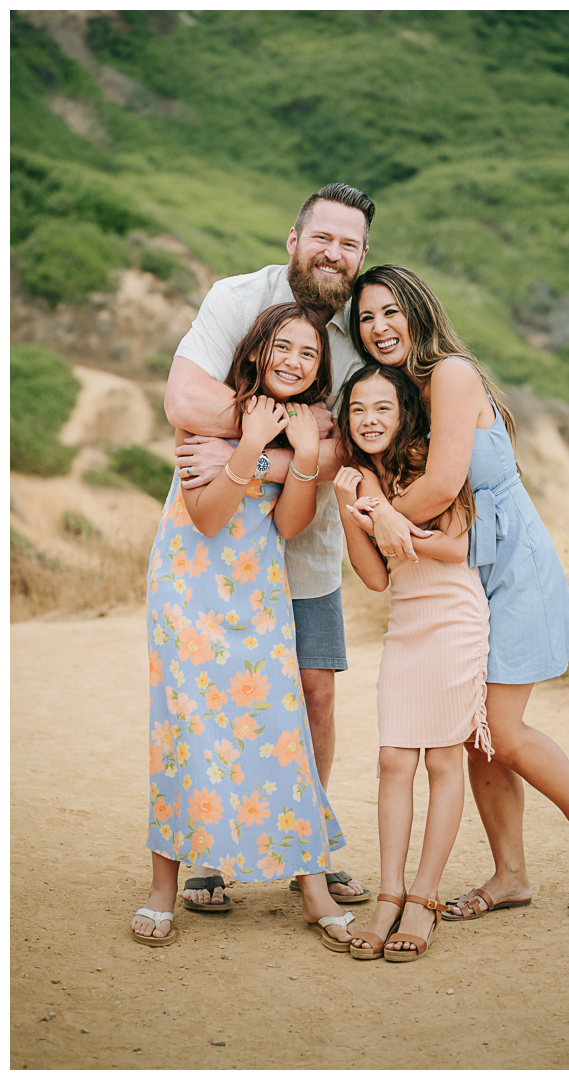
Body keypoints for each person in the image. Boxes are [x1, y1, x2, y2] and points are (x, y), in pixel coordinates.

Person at [345, 265, 569, 920]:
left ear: (418, 311)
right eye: (365, 318)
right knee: (473, 731)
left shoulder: (450, 374)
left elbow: (444, 486)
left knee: (498, 727)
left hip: (511, 568)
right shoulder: (399, 393)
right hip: (464, 572)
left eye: (390, 311)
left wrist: (385, 519)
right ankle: (511, 875)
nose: (379, 327)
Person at [160, 183, 391, 906]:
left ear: (361, 256)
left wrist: (279, 460)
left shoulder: (365, 330)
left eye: (350, 244)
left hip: (306, 539)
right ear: (294, 240)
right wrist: (290, 437)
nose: (335, 253)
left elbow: (363, 441)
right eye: (323, 237)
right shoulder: (239, 297)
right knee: (214, 699)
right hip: (222, 539)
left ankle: (304, 853)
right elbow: (184, 402)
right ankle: (209, 854)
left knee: (314, 695)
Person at [131, 303, 364, 950]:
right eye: (282, 347)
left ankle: (312, 890)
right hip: (187, 594)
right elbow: (206, 517)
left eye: (309, 354)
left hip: (258, 591)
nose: (294, 361)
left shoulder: (302, 427)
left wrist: (298, 455)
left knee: (281, 728)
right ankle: (162, 891)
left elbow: (289, 525)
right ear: (257, 350)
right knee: (185, 729)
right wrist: (255, 444)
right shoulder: (216, 414)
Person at [331, 364, 490, 962]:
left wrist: (391, 515)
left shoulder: (430, 462)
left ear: (404, 415)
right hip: (406, 625)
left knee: (445, 759)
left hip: (453, 618)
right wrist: (354, 510)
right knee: (393, 758)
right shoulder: (355, 479)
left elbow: (454, 546)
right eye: (358, 410)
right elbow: (375, 578)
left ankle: (423, 900)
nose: (369, 420)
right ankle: (388, 896)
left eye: (383, 409)